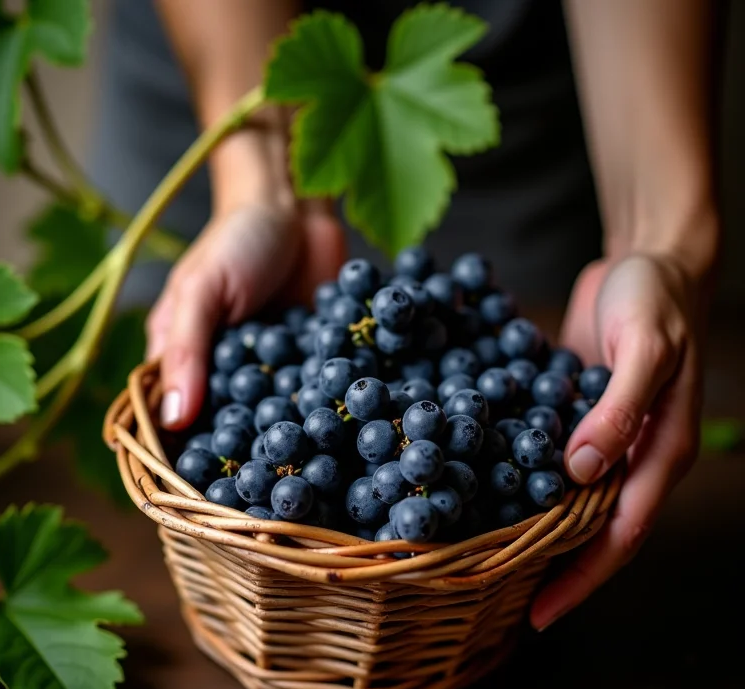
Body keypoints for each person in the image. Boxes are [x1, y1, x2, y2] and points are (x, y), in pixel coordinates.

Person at [90, 0, 719, 631]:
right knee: (202, 355)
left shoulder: (415, 422)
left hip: (534, 100)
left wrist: (658, 242)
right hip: (214, 65)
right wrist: (256, 190)